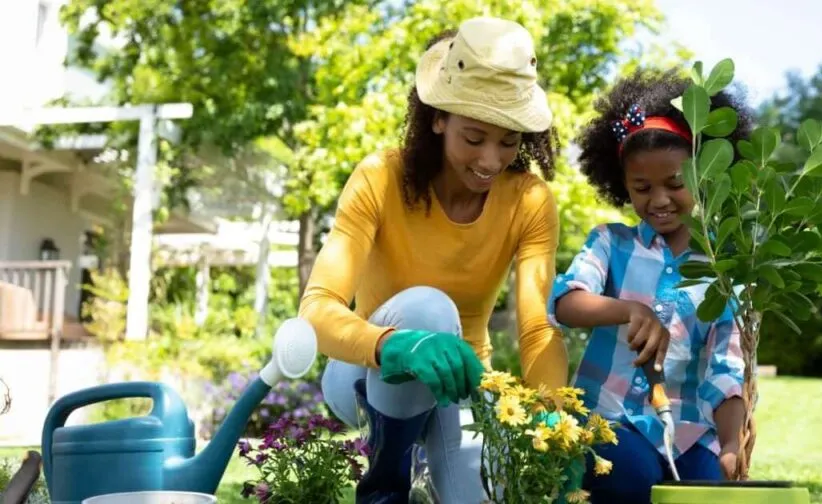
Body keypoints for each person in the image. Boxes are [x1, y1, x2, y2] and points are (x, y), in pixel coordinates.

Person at [298, 16, 569, 504]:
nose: (490, 160)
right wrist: (396, 348)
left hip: (461, 387)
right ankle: (385, 490)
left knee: (476, 497)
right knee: (428, 309)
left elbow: (536, 328)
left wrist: (552, 412)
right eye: (474, 137)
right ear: (438, 117)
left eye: (508, 141)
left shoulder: (529, 200)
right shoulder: (381, 177)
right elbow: (316, 309)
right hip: (364, 371)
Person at [546, 67, 753, 503]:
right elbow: (565, 301)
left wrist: (731, 445)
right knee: (632, 480)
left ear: (705, 176)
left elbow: (725, 367)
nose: (658, 200)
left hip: (690, 430)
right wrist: (628, 310)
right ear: (622, 187)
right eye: (641, 188)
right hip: (610, 421)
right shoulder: (610, 243)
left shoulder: (723, 269)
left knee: (706, 489)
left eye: (675, 184)